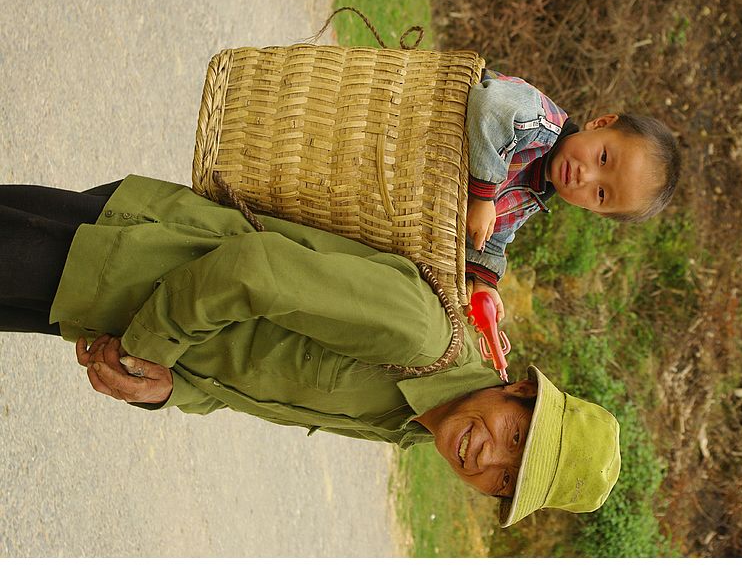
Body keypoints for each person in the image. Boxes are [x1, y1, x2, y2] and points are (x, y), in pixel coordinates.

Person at [0, 175, 621, 527]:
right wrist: (143, 349)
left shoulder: (409, 423)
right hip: (128, 261)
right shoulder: (422, 338)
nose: (488, 459)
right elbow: (257, 268)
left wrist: (167, 388)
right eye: (516, 436)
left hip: (106, 303)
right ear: (520, 389)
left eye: (505, 482)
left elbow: (256, 371)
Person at [464, 71, 681, 322]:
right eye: (603, 158)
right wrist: (483, 195)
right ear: (601, 123)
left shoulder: (534, 195)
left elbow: (491, 236)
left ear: (596, 211)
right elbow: (490, 108)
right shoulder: (540, 120)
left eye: (600, 193)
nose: (585, 176)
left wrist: (484, 279)